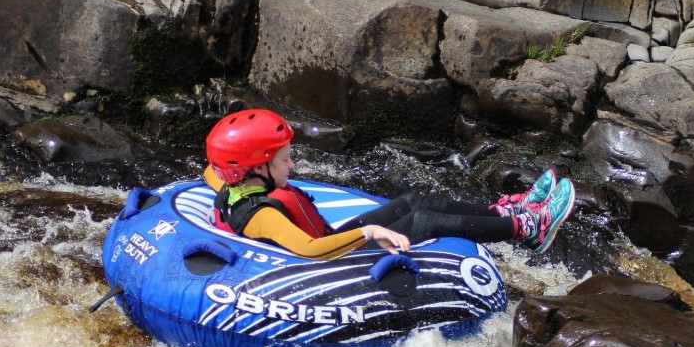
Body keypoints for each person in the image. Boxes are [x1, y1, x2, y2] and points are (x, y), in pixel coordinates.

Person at [203, 109, 575, 260]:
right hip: (330, 264)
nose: (293, 164)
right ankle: (526, 228)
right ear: (254, 169)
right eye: (284, 159)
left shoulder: (228, 181)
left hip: (330, 239)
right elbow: (311, 249)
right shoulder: (260, 216)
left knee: (415, 198)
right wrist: (369, 232)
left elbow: (212, 168)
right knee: (424, 222)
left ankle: (504, 210)